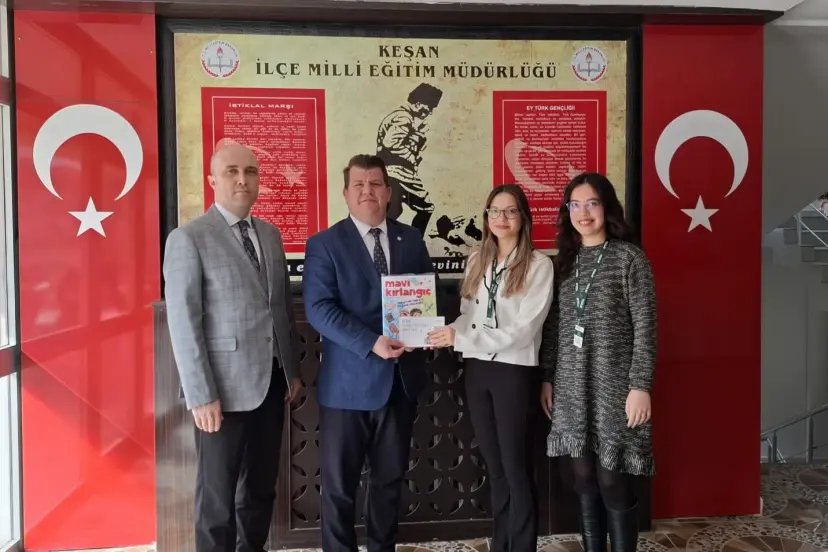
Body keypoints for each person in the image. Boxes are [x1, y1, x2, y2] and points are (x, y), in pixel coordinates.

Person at [163, 143, 302, 552]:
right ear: (212, 181)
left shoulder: (270, 235)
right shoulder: (188, 238)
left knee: (260, 489)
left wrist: (291, 372)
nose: (243, 179)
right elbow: (183, 323)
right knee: (217, 499)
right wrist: (200, 395)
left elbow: (279, 309)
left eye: (250, 172)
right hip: (220, 393)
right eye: (232, 172)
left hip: (271, 386)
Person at [303, 154, 435, 552]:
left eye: (375, 184)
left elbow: (423, 296)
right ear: (346, 193)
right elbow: (319, 309)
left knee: (388, 482)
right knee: (339, 488)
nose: (367, 191)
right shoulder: (325, 244)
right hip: (347, 385)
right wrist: (370, 341)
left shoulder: (411, 239)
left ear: (389, 192)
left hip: (399, 383)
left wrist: (424, 330)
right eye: (359, 184)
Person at [427, 184, 554, 552]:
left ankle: (522, 545)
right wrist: (445, 332)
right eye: (494, 211)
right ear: (486, 217)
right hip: (478, 370)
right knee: (495, 468)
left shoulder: (539, 265)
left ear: (523, 217)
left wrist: (462, 338)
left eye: (510, 211)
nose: (501, 218)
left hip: (513, 371)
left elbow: (523, 331)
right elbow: (467, 315)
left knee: (515, 467)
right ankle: (502, 544)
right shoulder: (476, 260)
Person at [540, 173, 657, 552]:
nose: (583, 212)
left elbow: (646, 327)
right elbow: (555, 327)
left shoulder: (629, 258)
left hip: (617, 387)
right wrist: (548, 378)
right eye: (575, 204)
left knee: (612, 478)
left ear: (607, 207)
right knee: (584, 478)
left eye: (592, 203)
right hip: (572, 386)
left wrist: (640, 386)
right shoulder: (564, 263)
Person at [376, 82, 443, 236]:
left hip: (388, 173)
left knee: (394, 211)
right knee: (426, 207)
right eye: (429, 107)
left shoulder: (401, 116)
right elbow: (391, 143)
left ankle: (384, 240)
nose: (430, 112)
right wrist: (411, 156)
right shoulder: (403, 117)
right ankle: (415, 243)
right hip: (399, 173)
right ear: (418, 103)